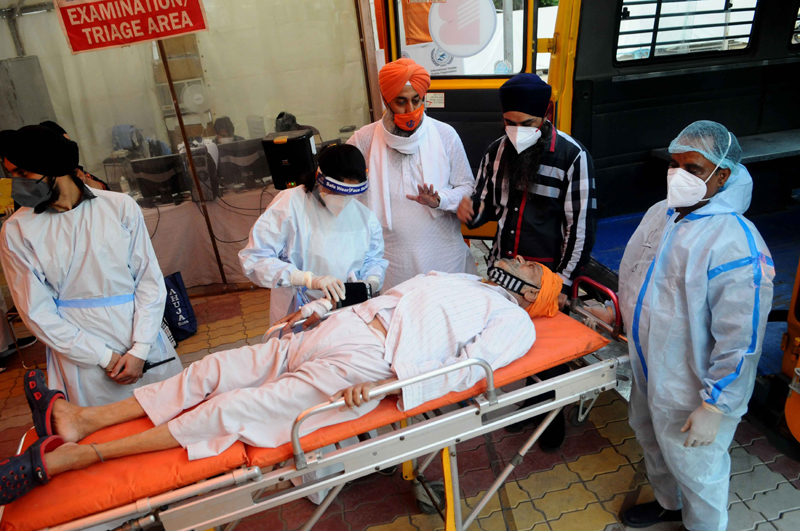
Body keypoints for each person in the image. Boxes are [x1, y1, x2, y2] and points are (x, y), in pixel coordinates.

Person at [0, 259, 564, 504]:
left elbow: (467, 372)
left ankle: (84, 458)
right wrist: (317, 314)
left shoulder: (514, 321)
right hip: (337, 330)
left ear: (536, 293)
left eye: (532, 270)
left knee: (235, 409)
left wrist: (384, 392)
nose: (519, 262)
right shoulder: (459, 276)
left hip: (370, 366)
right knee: (214, 368)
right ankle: (82, 419)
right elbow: (391, 295)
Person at [611, 121, 773, 531]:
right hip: (650, 368)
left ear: (723, 175)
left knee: (699, 468)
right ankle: (669, 505)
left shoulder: (735, 242)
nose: (679, 175)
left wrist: (715, 404)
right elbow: (635, 280)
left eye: (694, 168)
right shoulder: (661, 215)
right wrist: (616, 317)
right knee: (652, 440)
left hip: (694, 386)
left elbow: (743, 338)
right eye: (674, 164)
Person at [457, 73, 597, 447]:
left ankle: (550, 423)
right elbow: (488, 205)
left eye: (527, 124)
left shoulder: (572, 156)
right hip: (505, 273)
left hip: (546, 279)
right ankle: (523, 411)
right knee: (513, 347)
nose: (517, 131)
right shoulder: (495, 152)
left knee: (551, 357)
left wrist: (563, 284)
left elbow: (579, 227)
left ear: (546, 114)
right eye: (509, 123)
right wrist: (473, 212)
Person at [0, 125, 182, 407]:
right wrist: (103, 357)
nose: (16, 184)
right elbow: (36, 312)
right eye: (11, 175)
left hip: (141, 337)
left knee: (170, 417)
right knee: (104, 439)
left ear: (53, 166)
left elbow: (148, 280)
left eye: (23, 174)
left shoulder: (119, 207)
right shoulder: (18, 231)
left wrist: (141, 348)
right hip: (82, 354)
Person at [347, 58, 477, 290]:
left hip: (444, 259)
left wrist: (440, 200)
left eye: (416, 101)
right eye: (401, 102)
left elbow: (467, 187)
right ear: (386, 101)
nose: (411, 110)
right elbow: (345, 194)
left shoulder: (445, 135)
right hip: (393, 264)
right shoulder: (363, 140)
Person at [239, 144, 389, 325]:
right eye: (335, 192)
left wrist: (371, 281)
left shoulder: (365, 218)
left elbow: (373, 261)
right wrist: (307, 279)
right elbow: (254, 259)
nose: (341, 201)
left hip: (345, 309)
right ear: (320, 179)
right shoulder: (290, 204)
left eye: (348, 195)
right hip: (299, 310)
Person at [39, 120, 110, 191]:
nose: (69, 147)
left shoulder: (74, 169)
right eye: (64, 143)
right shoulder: (42, 179)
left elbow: (104, 189)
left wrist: (85, 181)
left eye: (69, 142)